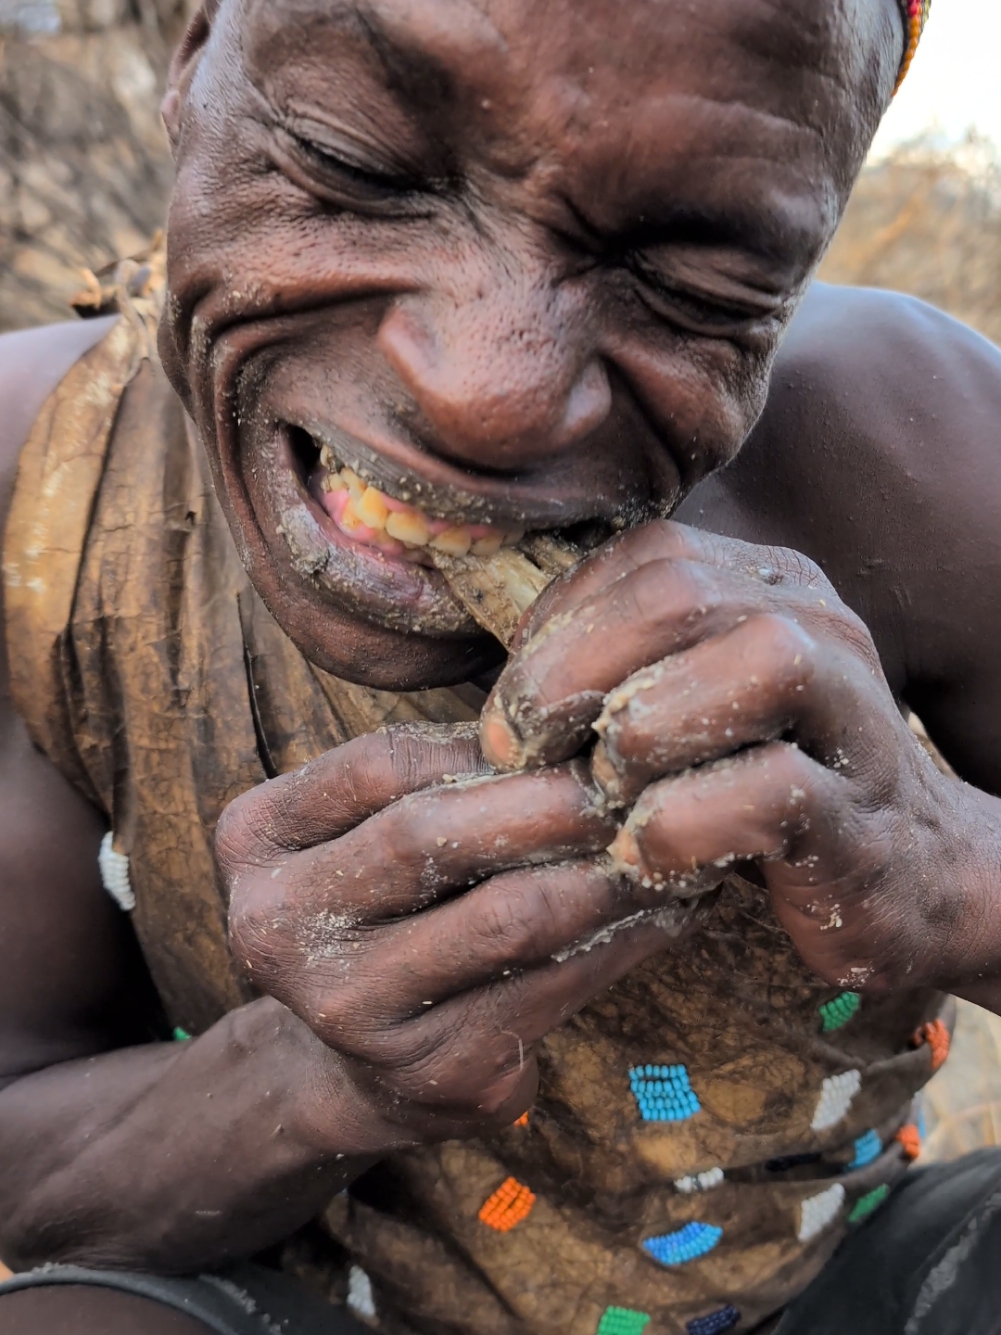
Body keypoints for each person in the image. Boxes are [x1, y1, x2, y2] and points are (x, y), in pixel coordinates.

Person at [2, 0, 1001, 1332]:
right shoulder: (46, 507)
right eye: (347, 160)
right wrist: (317, 1076)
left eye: (698, 287)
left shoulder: (908, 443)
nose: (492, 392)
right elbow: (29, 1168)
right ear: (195, 62)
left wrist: (945, 868)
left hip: (842, 1276)